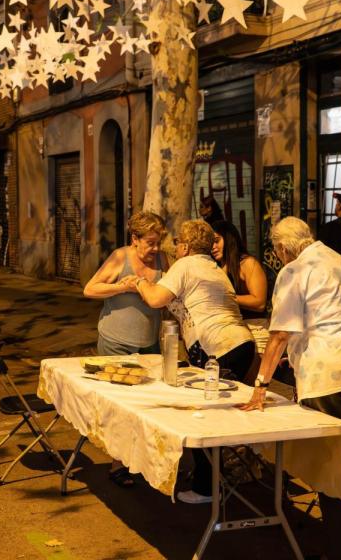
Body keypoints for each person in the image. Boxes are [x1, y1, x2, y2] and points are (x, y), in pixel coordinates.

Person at [240, 217, 341, 560]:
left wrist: (260, 385)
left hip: (329, 374)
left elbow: (278, 335)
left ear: (282, 249)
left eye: (276, 251)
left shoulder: (294, 272)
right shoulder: (334, 258)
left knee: (331, 470)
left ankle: (340, 552)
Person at [131, 219, 256, 505]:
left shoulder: (186, 265)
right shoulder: (213, 268)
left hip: (218, 349)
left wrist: (139, 282)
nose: (174, 247)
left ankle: (207, 488)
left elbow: (155, 299)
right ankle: (214, 480)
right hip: (239, 344)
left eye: (176, 242)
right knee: (212, 414)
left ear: (185, 246)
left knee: (203, 416)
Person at [83, 211, 167, 356]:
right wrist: (124, 287)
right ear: (135, 239)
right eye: (150, 243)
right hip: (115, 345)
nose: (156, 248)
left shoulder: (162, 259)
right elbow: (90, 289)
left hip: (150, 345)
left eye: (159, 243)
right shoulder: (120, 256)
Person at [210, 220, 268, 319]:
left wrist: (226, 298)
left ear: (229, 239)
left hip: (254, 328)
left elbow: (260, 302)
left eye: (216, 241)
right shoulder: (215, 266)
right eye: (210, 243)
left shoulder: (248, 263)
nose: (213, 247)